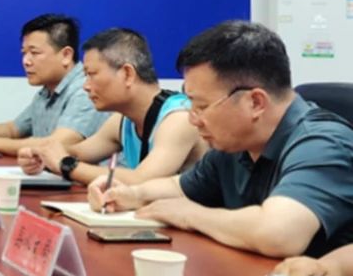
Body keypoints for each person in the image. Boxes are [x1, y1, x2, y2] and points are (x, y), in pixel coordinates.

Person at [90, 21, 353, 258]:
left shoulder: (323, 144)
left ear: (255, 102)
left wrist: (189, 214)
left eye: (201, 107)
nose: (193, 119)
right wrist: (128, 194)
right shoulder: (236, 145)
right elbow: (179, 187)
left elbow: (278, 234)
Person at [18, 28, 205, 185]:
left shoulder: (179, 118)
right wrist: (40, 155)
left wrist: (66, 166)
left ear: (127, 74)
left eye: (91, 74)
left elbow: (141, 180)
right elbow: (78, 152)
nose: (86, 86)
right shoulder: (122, 121)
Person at [0, 14, 107, 155]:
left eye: (34, 53)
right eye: (24, 53)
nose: (26, 61)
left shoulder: (85, 90)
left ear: (66, 55)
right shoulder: (46, 92)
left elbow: (57, 143)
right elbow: (13, 129)